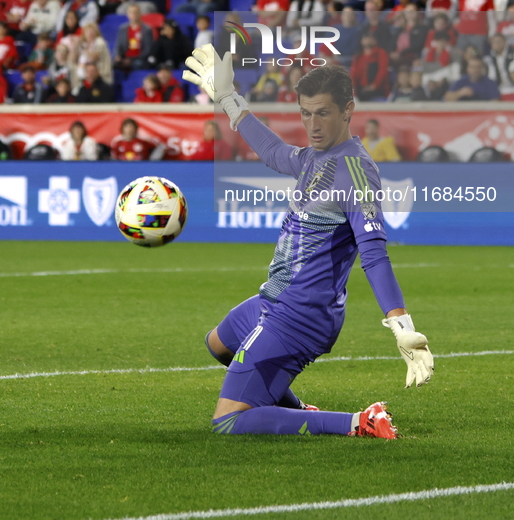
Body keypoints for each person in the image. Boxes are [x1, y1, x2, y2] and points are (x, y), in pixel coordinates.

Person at [182, 50, 433, 436]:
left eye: (323, 113)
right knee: (218, 344)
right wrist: (228, 97)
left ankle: (360, 422)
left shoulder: (356, 171)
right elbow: (272, 151)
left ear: (348, 110)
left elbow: (374, 253)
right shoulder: (316, 156)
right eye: (306, 113)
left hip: (301, 314)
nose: (313, 125)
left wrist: (401, 324)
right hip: (274, 300)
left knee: (228, 422)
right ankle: (297, 410)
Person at [114, 3, 155, 70]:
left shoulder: (147, 29)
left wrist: (132, 59)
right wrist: (118, 56)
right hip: (125, 57)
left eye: (135, 12)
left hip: (139, 58)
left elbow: (148, 49)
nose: (133, 15)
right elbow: (118, 45)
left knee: (137, 64)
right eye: (131, 12)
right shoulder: (123, 29)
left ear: (140, 14)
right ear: (128, 15)